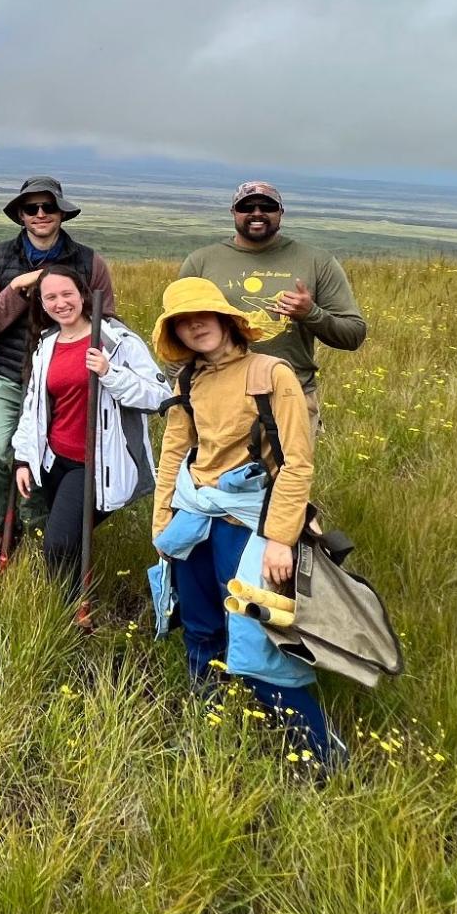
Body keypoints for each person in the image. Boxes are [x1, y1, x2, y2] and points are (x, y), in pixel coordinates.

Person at [149, 278, 343, 768]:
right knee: (199, 627)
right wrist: (162, 527)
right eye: (183, 322)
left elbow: (297, 463)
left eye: (204, 315)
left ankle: (317, 756)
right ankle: (209, 727)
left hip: (252, 522)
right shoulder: (189, 380)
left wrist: (280, 539)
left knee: (261, 636)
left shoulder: (271, 373)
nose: (196, 326)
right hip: (194, 520)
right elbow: (176, 452)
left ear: (225, 319)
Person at [8, 265, 172, 598]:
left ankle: (65, 612)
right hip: (56, 460)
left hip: (95, 465)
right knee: (66, 542)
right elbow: (34, 407)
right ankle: (71, 603)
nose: (60, 303)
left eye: (67, 294)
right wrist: (24, 458)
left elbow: (161, 396)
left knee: (58, 543)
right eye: (50, 297)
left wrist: (110, 374)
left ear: (83, 294)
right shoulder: (47, 343)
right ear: (41, 302)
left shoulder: (116, 340)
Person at [0, 177, 115, 544]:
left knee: (45, 461)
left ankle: (40, 533)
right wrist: (18, 289)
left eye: (48, 207)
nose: (40, 214)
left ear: (61, 213)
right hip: (4, 375)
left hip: (63, 382)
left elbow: (108, 324)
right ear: (20, 215)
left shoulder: (89, 262)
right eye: (31, 208)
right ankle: (4, 528)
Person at [179, 182, 368, 434]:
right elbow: (175, 334)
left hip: (289, 396)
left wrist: (311, 314)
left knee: (291, 473)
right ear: (233, 212)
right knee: (210, 474)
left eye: (267, 206)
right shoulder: (201, 262)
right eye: (247, 206)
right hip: (214, 396)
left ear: (281, 212)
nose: (257, 212)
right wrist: (181, 397)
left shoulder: (317, 262)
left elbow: (353, 334)